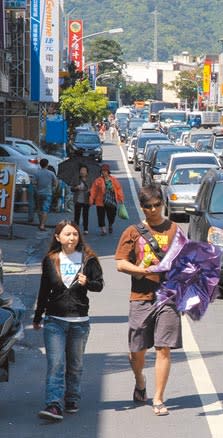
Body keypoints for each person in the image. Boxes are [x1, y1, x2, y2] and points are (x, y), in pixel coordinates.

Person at [115, 185, 182, 417]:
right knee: (137, 350)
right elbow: (120, 262)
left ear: (162, 204)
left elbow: (187, 262)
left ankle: (158, 398)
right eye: (148, 206)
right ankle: (140, 380)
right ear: (142, 207)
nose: (153, 210)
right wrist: (139, 270)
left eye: (156, 205)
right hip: (140, 297)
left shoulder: (175, 230)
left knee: (164, 348)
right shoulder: (132, 232)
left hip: (168, 297)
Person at [33, 220, 104, 421]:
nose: (72, 237)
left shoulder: (89, 259)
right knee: (55, 363)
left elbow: (99, 285)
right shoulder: (50, 260)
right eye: (67, 234)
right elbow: (44, 289)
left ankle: (71, 397)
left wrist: (87, 282)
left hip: (79, 320)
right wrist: (38, 317)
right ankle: (53, 404)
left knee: (75, 364)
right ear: (58, 238)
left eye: (74, 234)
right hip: (54, 320)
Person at [89, 164, 124, 236]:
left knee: (112, 215)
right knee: (100, 215)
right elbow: (93, 190)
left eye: (105, 171)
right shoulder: (98, 180)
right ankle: (103, 229)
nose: (104, 172)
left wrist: (121, 198)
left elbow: (118, 189)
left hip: (111, 200)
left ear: (108, 172)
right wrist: (91, 199)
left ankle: (110, 224)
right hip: (100, 201)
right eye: (103, 171)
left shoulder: (114, 180)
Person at [34, 158, 58, 231]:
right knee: (45, 209)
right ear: (47, 164)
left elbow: (34, 183)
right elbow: (55, 183)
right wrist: (53, 189)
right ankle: (42, 225)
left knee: (39, 209)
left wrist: (37, 189)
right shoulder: (51, 173)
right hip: (48, 193)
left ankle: (40, 223)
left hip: (39, 193)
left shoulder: (37, 173)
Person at [71, 165, 90, 235]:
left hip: (86, 200)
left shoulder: (89, 179)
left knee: (85, 215)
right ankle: (76, 228)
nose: (82, 172)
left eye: (84, 170)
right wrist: (76, 187)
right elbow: (71, 188)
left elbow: (93, 189)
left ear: (87, 172)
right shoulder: (76, 179)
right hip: (77, 199)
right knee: (77, 215)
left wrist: (89, 190)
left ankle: (85, 229)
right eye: (81, 170)